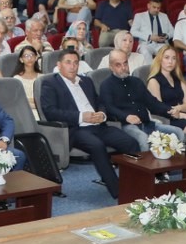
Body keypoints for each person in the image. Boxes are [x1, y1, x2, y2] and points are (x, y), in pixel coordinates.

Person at [39, 47, 138, 199]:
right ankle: (118, 191)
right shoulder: (50, 83)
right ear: (59, 65)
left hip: (98, 125)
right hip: (76, 129)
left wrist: (102, 114)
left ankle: (134, 184)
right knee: (97, 145)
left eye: (75, 62)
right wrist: (81, 116)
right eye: (68, 62)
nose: (73, 66)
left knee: (130, 142)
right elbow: (50, 112)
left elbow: (100, 102)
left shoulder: (86, 81)